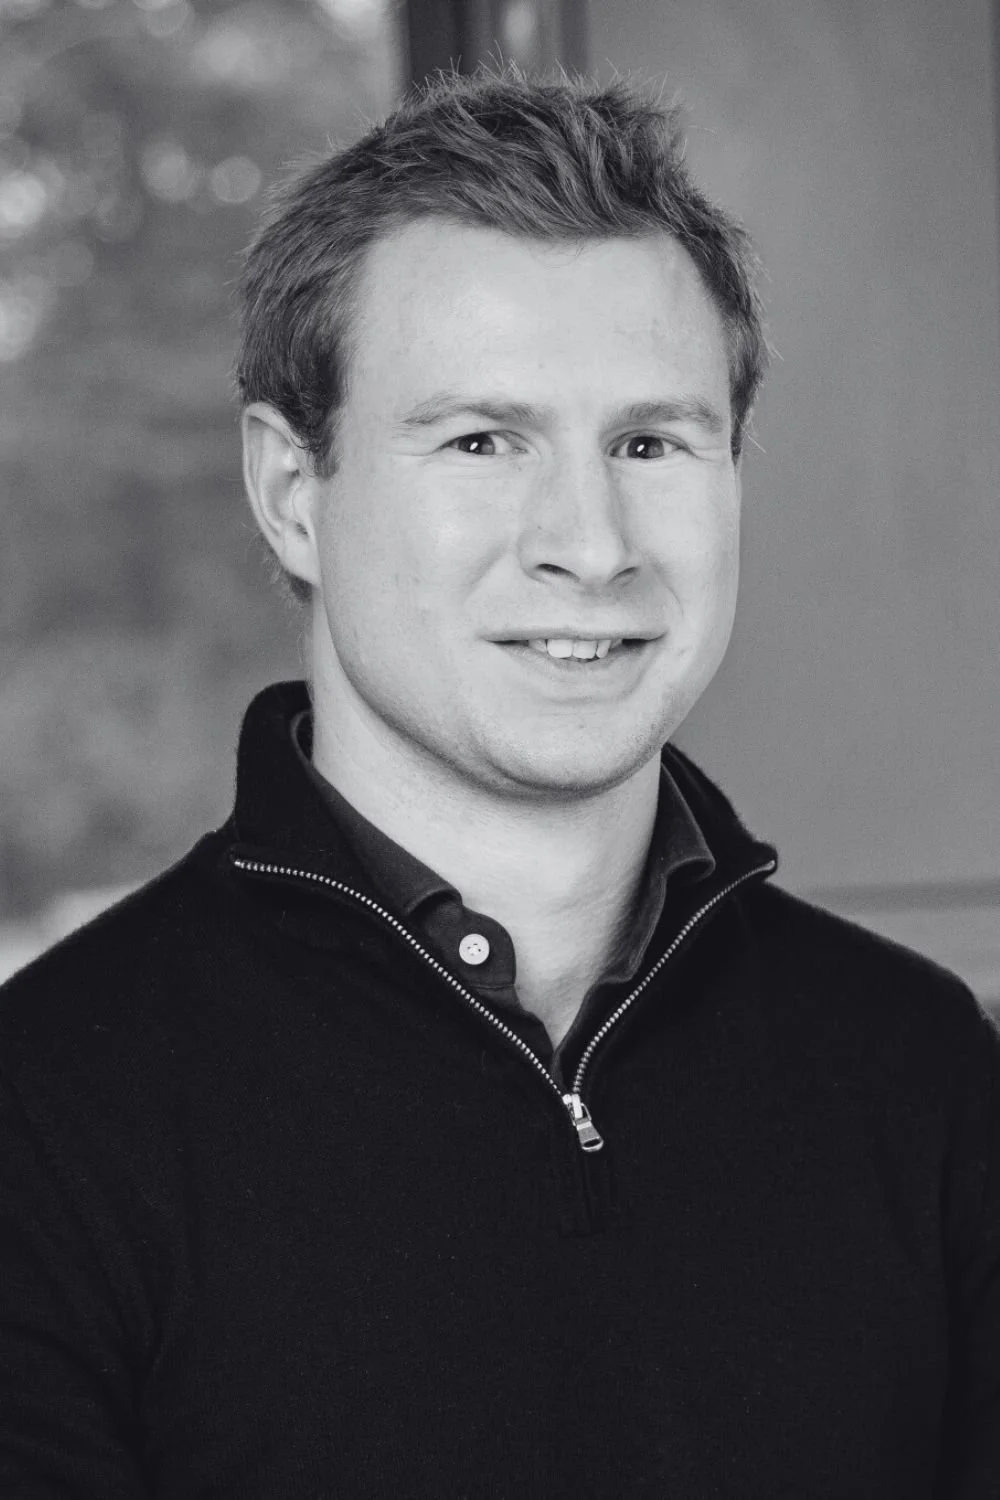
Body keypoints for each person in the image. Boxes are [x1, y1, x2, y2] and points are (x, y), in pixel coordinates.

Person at [1, 63, 998, 1499]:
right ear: (293, 493)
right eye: (482, 441)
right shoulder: (44, 1118)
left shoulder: (924, 1070)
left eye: (651, 442)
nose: (590, 543)